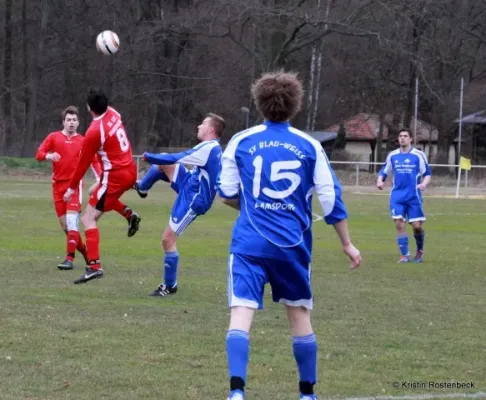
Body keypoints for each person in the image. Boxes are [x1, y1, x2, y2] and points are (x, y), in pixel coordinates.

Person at [217, 71, 361, 400]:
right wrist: (347, 244)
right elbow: (331, 200)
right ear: (295, 105)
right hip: (292, 246)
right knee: (298, 314)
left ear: (259, 102)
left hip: (249, 244)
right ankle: (307, 394)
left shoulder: (241, 141)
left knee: (241, 311)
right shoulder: (310, 146)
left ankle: (237, 392)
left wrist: (255, 208)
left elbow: (225, 192)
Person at [135, 113, 225, 297]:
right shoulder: (209, 147)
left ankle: (170, 286)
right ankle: (142, 187)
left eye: (203, 124)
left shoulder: (209, 148)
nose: (199, 126)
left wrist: (148, 157)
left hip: (194, 198)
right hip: (190, 183)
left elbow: (179, 157)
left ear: (211, 130)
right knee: (163, 161)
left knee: (167, 239)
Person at [63, 88, 141, 284]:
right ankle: (129, 214)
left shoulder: (93, 132)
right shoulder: (114, 113)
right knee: (94, 193)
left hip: (115, 176)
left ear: (89, 108)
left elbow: (82, 165)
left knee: (87, 218)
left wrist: (71, 188)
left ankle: (94, 266)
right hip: (130, 168)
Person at [36, 106, 102, 270]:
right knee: (66, 227)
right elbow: (39, 154)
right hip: (57, 186)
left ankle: (69, 259)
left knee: (73, 222)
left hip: (74, 187)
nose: (71, 123)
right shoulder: (53, 137)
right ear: (63, 122)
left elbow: (94, 161)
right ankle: (87, 255)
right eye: (68, 120)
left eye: (74, 120)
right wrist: (49, 155)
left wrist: (100, 178)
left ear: (78, 123)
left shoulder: (83, 141)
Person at [376, 128, 432, 263]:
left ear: (410, 139)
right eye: (400, 136)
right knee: (399, 224)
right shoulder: (393, 155)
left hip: (413, 196)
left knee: (417, 227)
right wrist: (380, 181)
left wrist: (424, 184)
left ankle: (419, 251)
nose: (402, 138)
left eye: (405, 136)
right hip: (397, 196)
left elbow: (427, 174)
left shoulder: (418, 155)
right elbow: (384, 170)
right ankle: (405, 255)